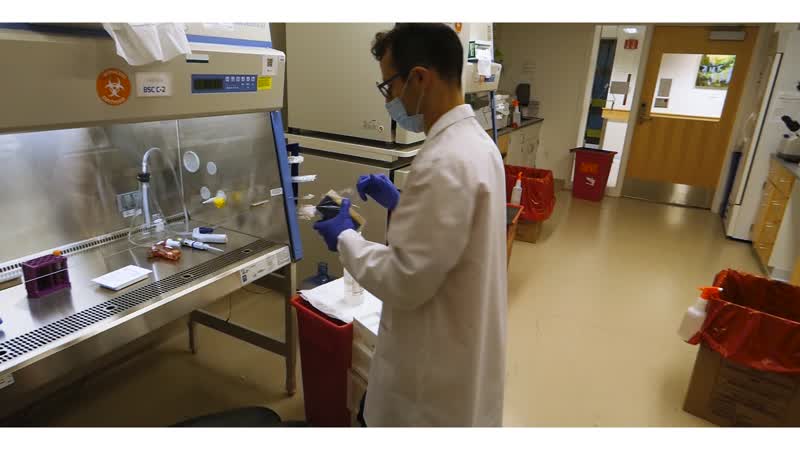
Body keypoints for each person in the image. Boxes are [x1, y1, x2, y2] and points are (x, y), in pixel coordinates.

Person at [312, 23, 507, 427]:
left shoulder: (442, 160)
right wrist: (403, 204)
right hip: (463, 350)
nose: (390, 100)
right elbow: (454, 231)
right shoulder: (478, 144)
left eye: (389, 87)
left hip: (428, 384)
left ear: (419, 78)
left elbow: (403, 279)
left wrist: (345, 237)